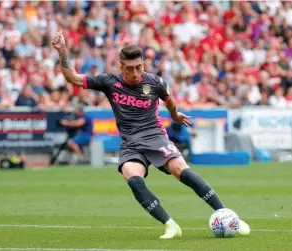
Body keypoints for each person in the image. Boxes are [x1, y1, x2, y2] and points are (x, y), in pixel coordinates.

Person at [51, 30, 247, 238]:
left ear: (143, 64)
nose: (135, 73)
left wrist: (174, 115)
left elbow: (169, 99)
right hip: (130, 144)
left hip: (155, 136)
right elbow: (72, 77)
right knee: (133, 179)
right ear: (121, 67)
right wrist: (63, 51)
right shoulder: (109, 82)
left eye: (139, 67)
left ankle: (227, 214)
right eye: (129, 69)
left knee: (182, 170)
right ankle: (170, 225)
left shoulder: (154, 82)